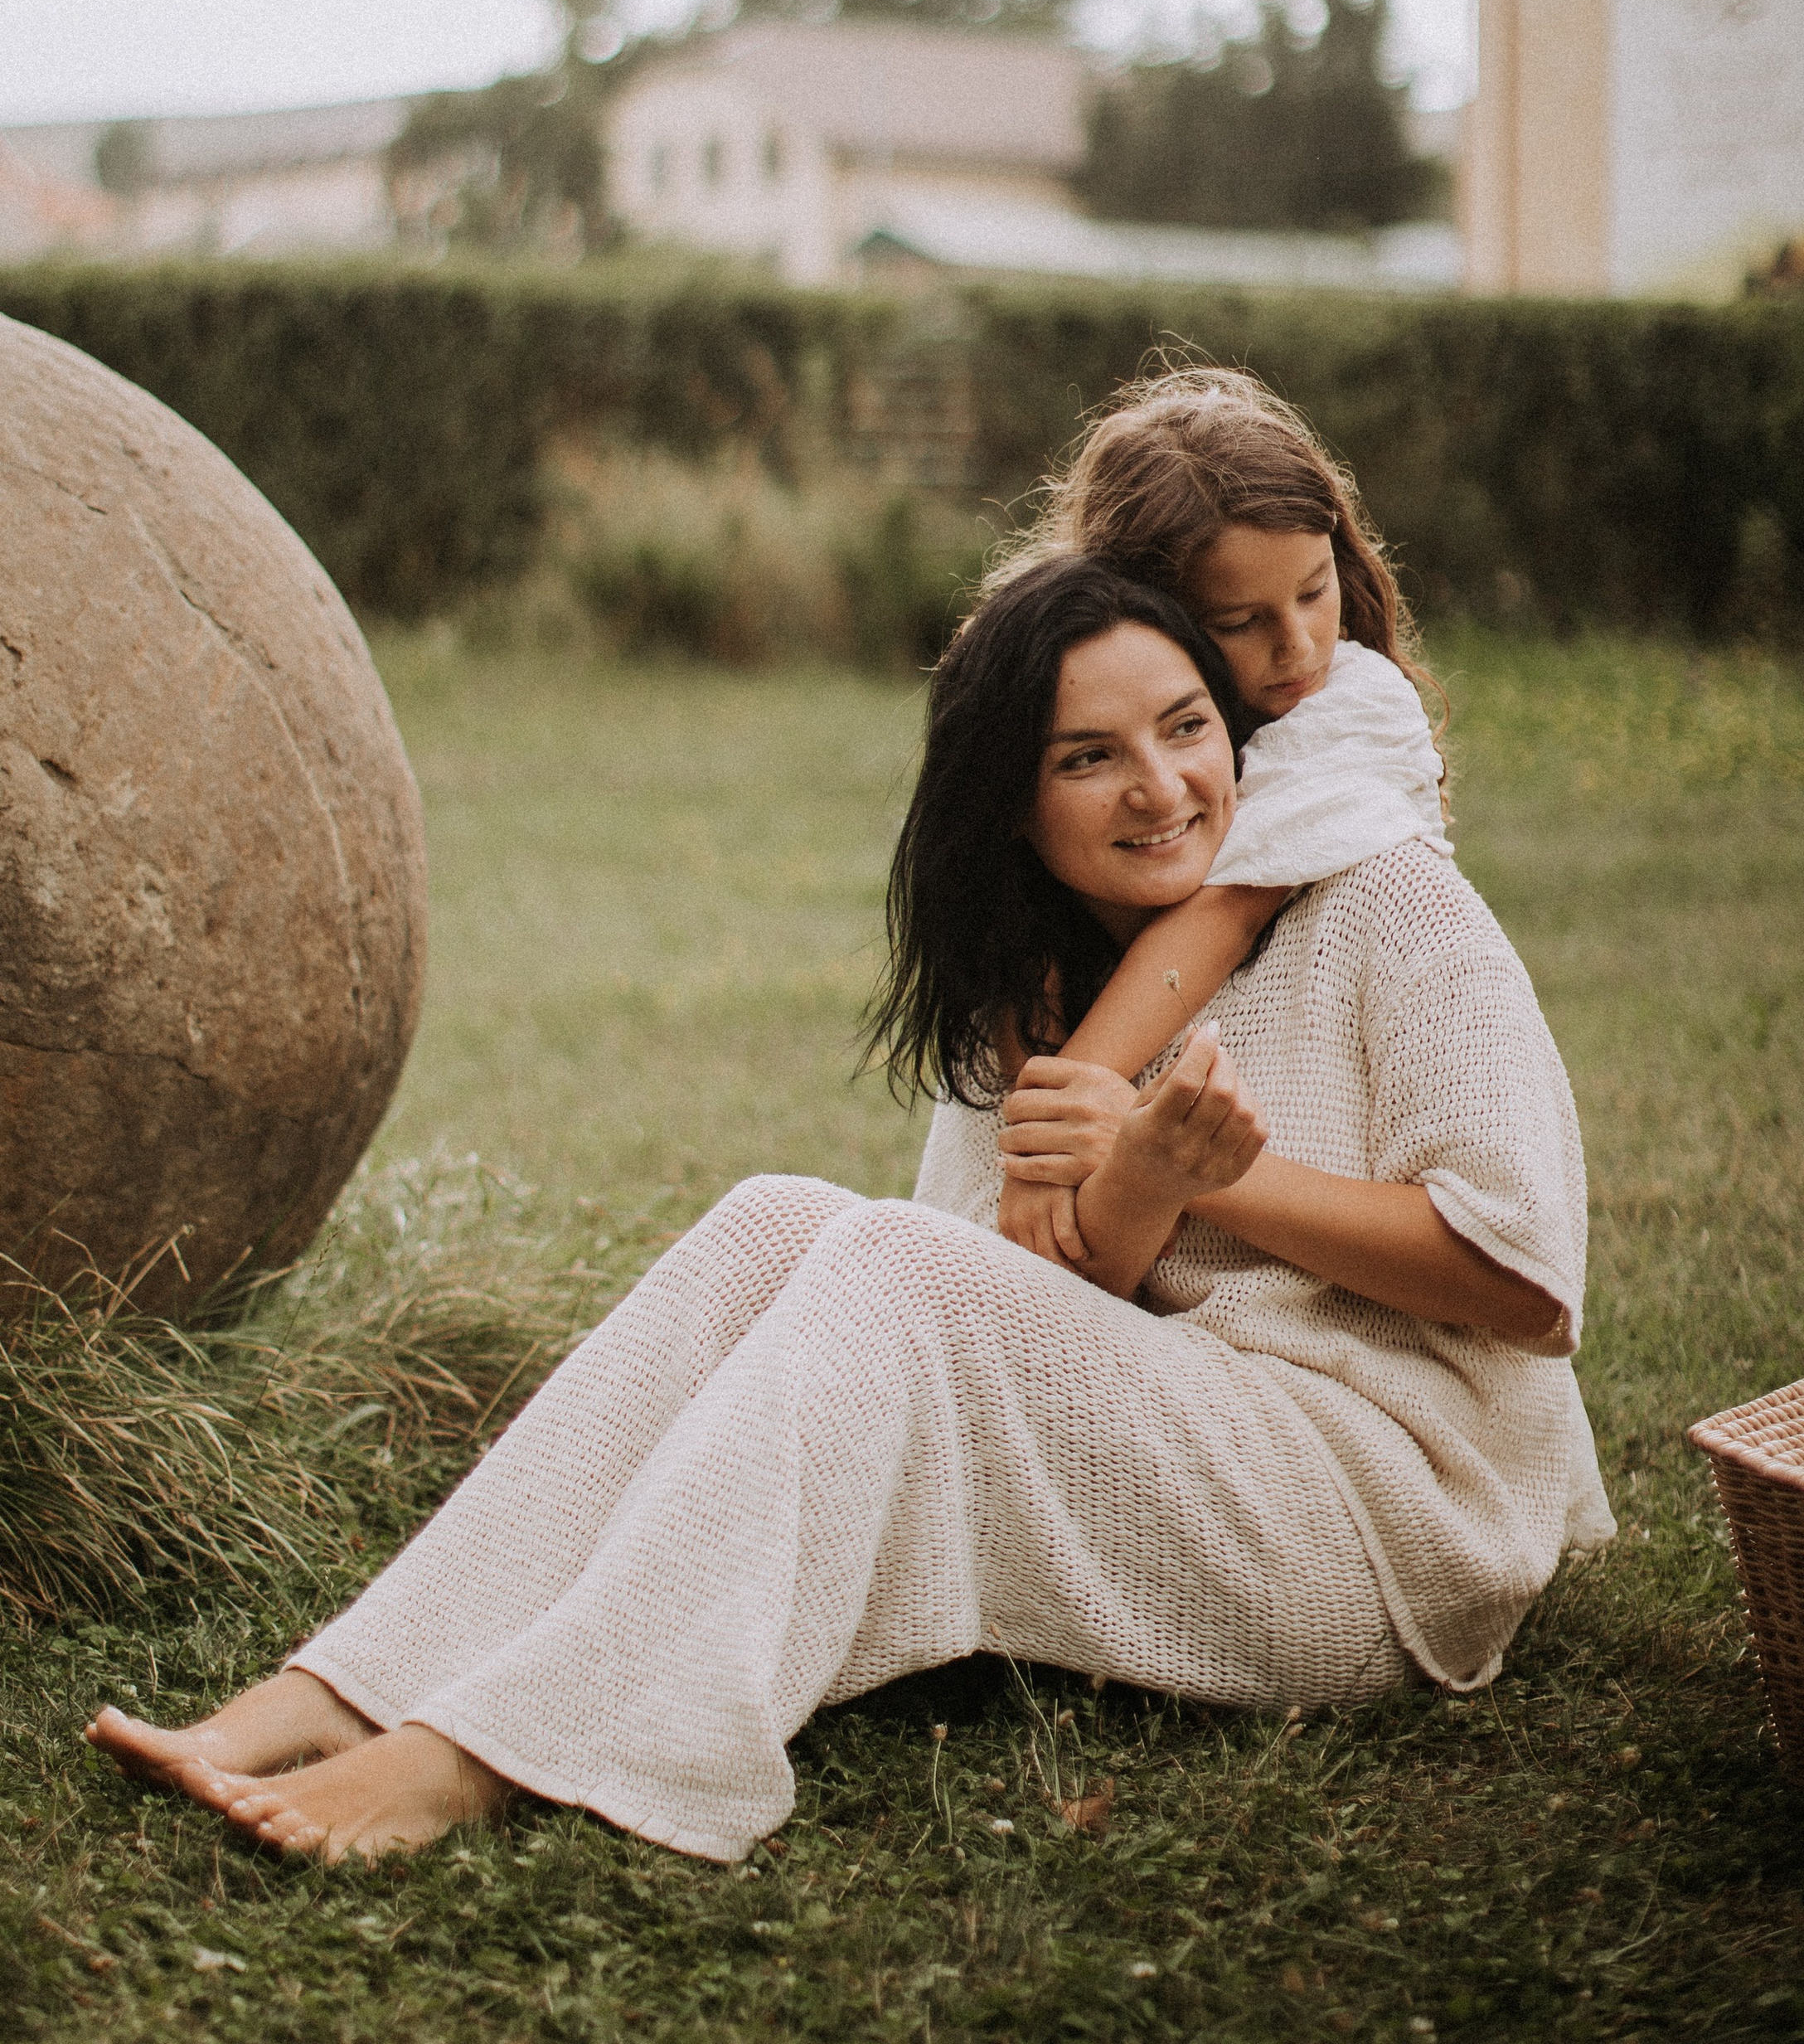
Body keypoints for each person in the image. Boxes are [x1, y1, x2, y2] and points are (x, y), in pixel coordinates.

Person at [87, 557, 1612, 1867]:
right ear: (1014, 808)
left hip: (1395, 1524)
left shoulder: (1388, 900)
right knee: (777, 1222)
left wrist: (1223, 1177)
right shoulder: (1027, 1002)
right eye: (1090, 758)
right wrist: (1138, 1185)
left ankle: (488, 1752)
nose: (1162, 788)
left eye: (1190, 728)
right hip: (1212, 1461)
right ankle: (345, 1689)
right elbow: (1014, 1335)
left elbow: (1531, 1290)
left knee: (883, 1259)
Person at [984, 367, 1457, 1272]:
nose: (1299, 645)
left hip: (1316, 1082)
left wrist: (1064, 1110)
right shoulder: (1104, 689)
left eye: (1316, 591)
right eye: (1241, 620)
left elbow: (1228, 905)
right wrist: (1044, 1121)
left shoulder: (1352, 709)